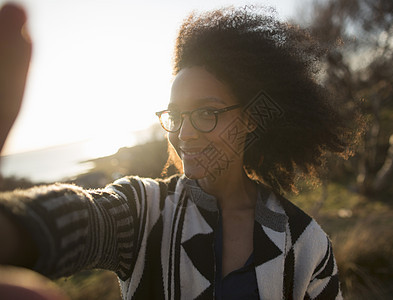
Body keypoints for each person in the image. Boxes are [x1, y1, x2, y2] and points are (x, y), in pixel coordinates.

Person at [0, 5, 354, 300]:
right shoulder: (145, 211)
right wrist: (13, 230)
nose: (184, 134)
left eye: (206, 113)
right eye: (175, 116)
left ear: (249, 120)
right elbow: (85, 218)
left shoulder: (306, 245)